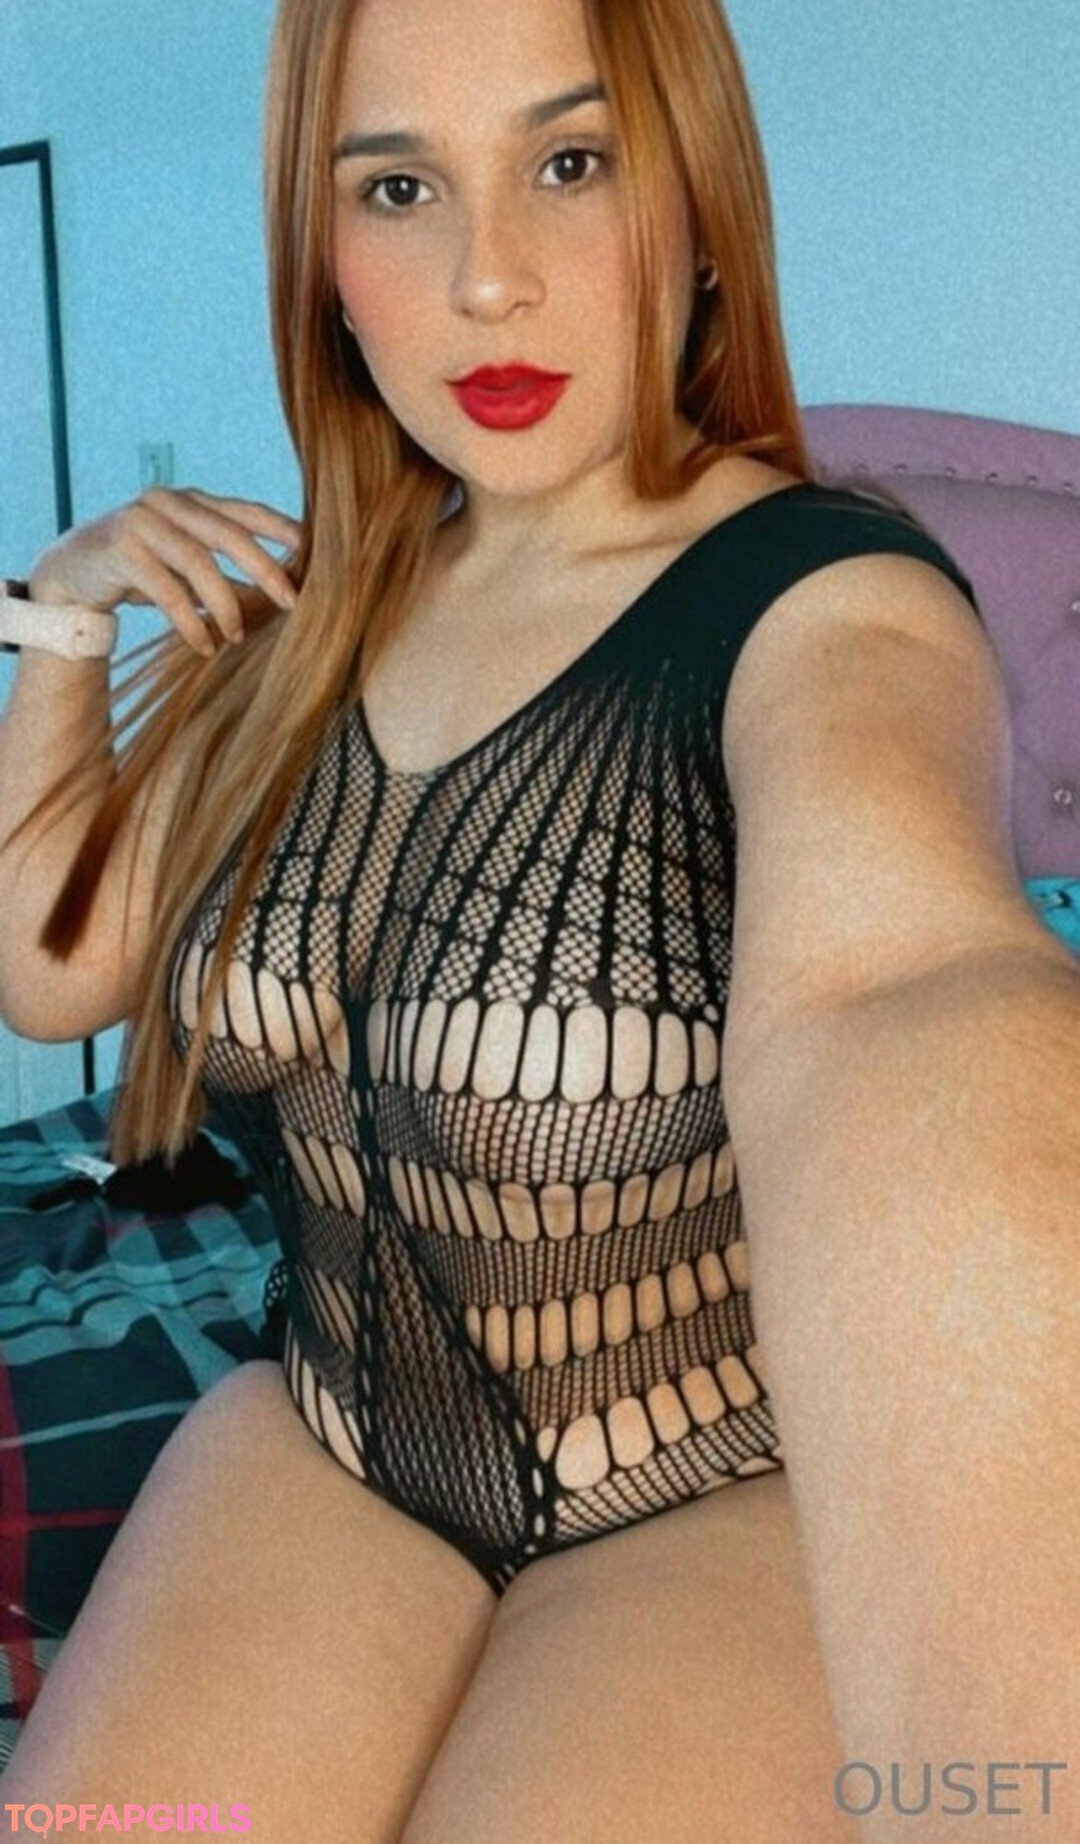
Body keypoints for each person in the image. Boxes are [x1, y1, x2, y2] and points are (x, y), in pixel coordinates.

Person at [1, 0, 1076, 1837]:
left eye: (571, 164)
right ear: (323, 263)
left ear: (699, 210)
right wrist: (60, 614)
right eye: (397, 188)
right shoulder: (302, 620)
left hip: (713, 1497)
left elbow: (903, 994)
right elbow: (52, 972)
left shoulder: (831, 605)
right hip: (326, 1440)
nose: (486, 279)